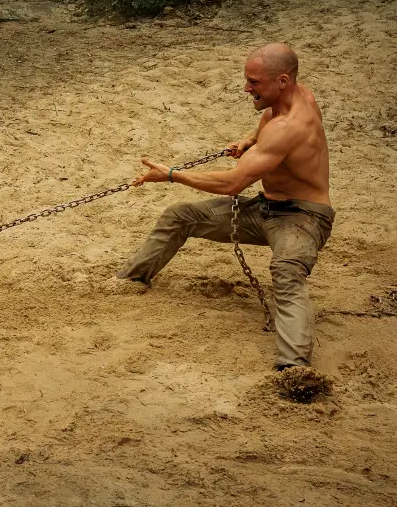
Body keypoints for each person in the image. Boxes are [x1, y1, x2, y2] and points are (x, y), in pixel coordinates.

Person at [117, 42, 334, 371]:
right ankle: (129, 281)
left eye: (254, 82)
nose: (247, 88)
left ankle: (294, 368)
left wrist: (172, 174)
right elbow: (267, 125)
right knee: (180, 216)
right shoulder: (295, 97)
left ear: (283, 81)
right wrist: (249, 139)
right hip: (266, 208)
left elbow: (233, 184)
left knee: (287, 272)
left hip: (303, 218)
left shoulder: (289, 127)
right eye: (248, 79)